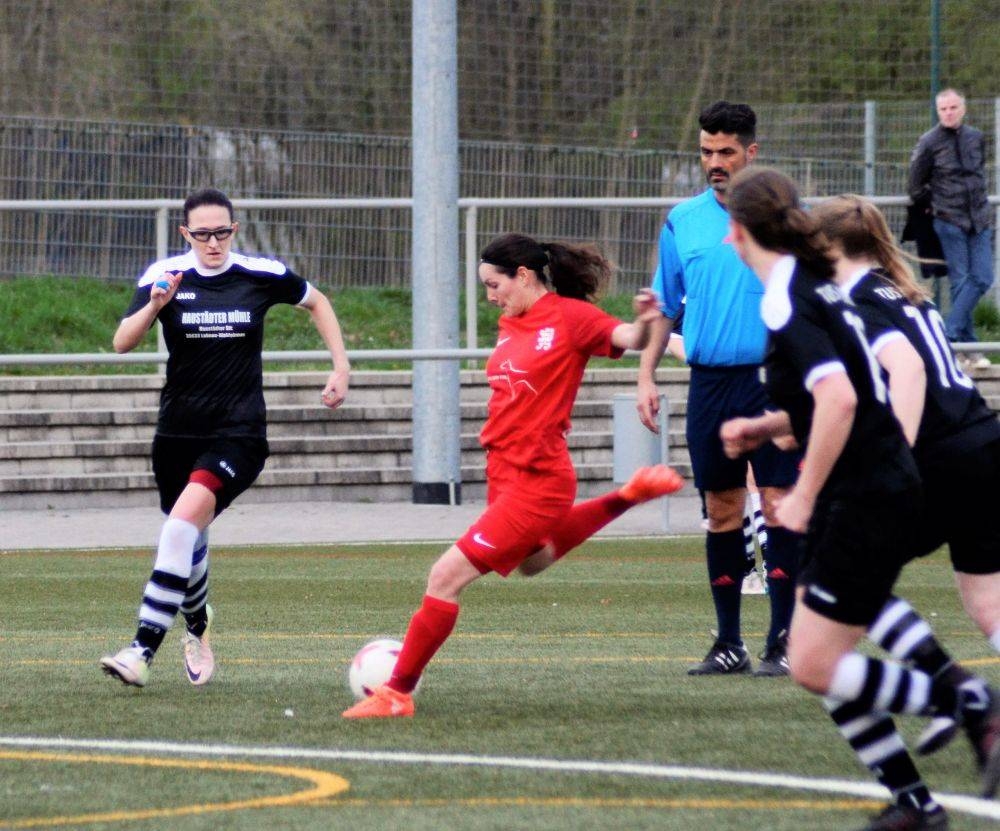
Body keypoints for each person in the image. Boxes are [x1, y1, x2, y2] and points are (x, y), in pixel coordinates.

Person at [722, 167, 1000, 830]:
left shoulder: (790, 296)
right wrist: (768, 425)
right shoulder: (819, 284)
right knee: (822, 647)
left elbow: (842, 398)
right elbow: (854, 386)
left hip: (870, 491)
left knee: (815, 661)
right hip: (878, 485)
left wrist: (802, 492)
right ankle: (914, 799)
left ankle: (970, 703)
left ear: (739, 231)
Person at [342, 233, 685, 719]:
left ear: (523, 276)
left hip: (540, 479)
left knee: (444, 576)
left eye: (493, 285)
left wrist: (647, 320)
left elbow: (630, 339)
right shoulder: (511, 323)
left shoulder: (571, 317)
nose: (490, 296)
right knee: (532, 561)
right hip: (503, 472)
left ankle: (396, 693)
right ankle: (626, 497)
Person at [100, 187, 351, 688]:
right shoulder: (164, 275)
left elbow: (317, 301)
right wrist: (155, 305)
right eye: (202, 234)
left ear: (234, 230)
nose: (213, 243)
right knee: (186, 535)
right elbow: (122, 343)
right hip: (176, 431)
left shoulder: (260, 274)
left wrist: (341, 366)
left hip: (239, 433)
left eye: (222, 232)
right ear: (185, 233)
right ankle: (198, 622)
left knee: (178, 530)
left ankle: (141, 650)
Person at [814, 194, 1000, 789]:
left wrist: (899, 454)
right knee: (989, 607)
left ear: (828, 247)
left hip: (938, 459)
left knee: (837, 577)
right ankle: (957, 694)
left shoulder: (856, 301)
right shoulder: (903, 292)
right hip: (982, 441)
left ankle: (955, 694)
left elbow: (910, 371)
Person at [637, 101, 799, 677]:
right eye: (706, 151)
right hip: (709, 384)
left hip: (773, 382)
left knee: (778, 505)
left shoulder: (788, 217)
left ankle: (784, 641)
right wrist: (646, 374)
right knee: (721, 508)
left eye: (726, 151)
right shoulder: (683, 220)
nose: (715, 162)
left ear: (751, 152)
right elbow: (666, 305)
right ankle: (729, 643)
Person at [908, 88, 993, 370]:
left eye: (953, 107)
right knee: (961, 281)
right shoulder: (928, 142)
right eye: (943, 109)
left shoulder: (976, 137)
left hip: (980, 219)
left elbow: (978, 174)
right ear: (937, 111)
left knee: (982, 278)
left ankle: (948, 336)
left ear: (963, 109)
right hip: (948, 219)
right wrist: (935, 204)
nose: (948, 113)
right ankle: (970, 350)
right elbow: (914, 184)